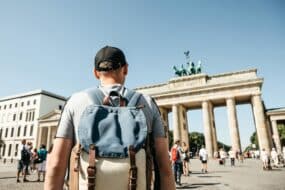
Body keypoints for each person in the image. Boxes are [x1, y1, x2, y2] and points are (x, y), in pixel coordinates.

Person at [44, 46, 175, 190]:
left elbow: (56, 165)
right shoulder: (147, 103)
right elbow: (165, 169)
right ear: (125, 69)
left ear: (95, 73)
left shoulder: (75, 102)